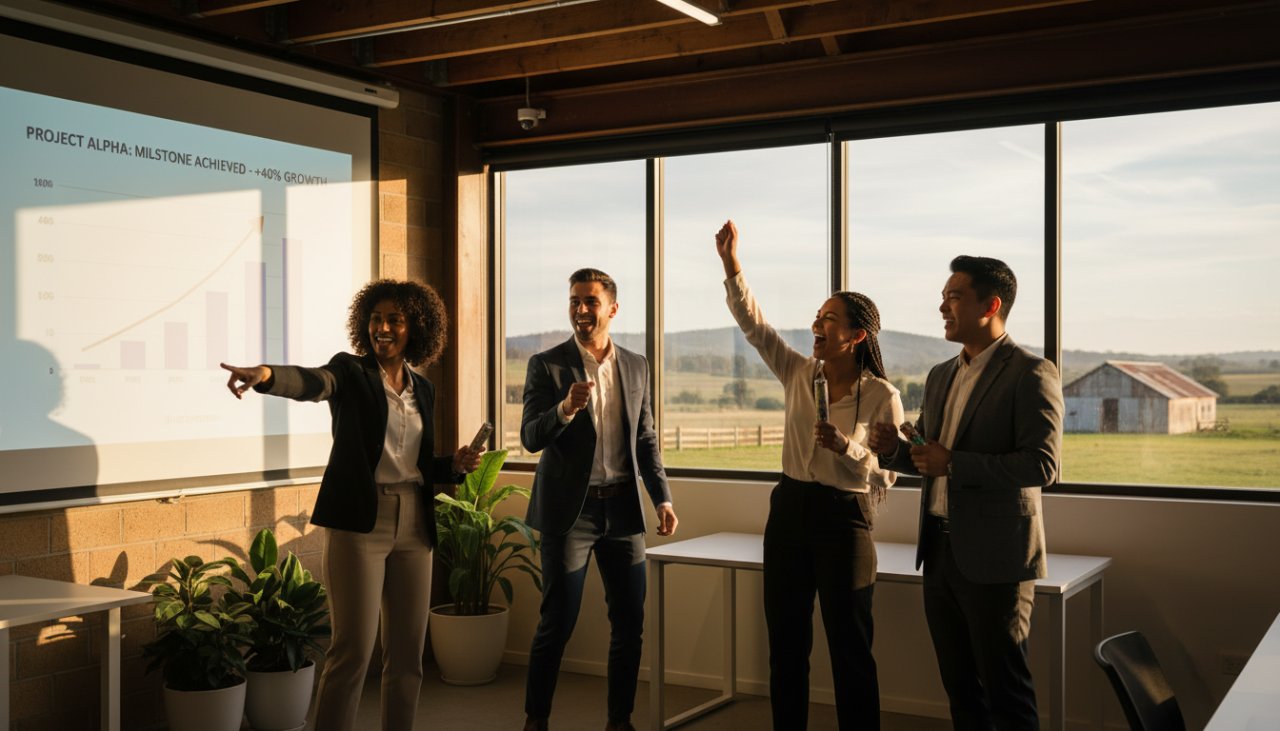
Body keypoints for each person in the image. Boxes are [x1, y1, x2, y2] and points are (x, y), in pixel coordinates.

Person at [221, 279, 483, 731]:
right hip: (361, 525)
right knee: (353, 654)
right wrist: (265, 374)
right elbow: (312, 382)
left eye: (394, 320)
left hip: (414, 526)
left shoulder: (423, 389)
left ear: (414, 327)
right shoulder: (350, 372)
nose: (382, 327)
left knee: (407, 657)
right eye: (376, 318)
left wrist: (453, 465)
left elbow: (414, 464)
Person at [714, 220, 904, 730]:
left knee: (850, 650)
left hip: (845, 519)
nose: (817, 326)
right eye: (817, 317)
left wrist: (848, 448)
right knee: (787, 646)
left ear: (857, 335)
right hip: (790, 509)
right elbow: (755, 327)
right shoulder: (799, 372)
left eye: (830, 320)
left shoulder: (883, 396)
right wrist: (732, 266)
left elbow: (888, 477)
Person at [868, 256, 1064, 730]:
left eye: (953, 297)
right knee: (959, 687)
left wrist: (953, 462)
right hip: (939, 552)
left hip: (997, 560)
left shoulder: (1032, 372)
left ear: (990, 305)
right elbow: (928, 458)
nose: (941, 307)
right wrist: (896, 450)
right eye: (943, 297)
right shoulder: (940, 374)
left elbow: (1043, 464)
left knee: (1006, 690)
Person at [520, 268, 679, 731]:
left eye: (590, 301)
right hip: (572, 514)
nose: (581, 310)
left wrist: (662, 499)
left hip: (624, 511)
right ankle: (536, 720)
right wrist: (565, 409)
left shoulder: (636, 365)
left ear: (612, 308)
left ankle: (619, 721)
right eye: (574, 301)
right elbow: (531, 437)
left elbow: (645, 439)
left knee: (630, 624)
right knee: (558, 621)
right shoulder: (546, 365)